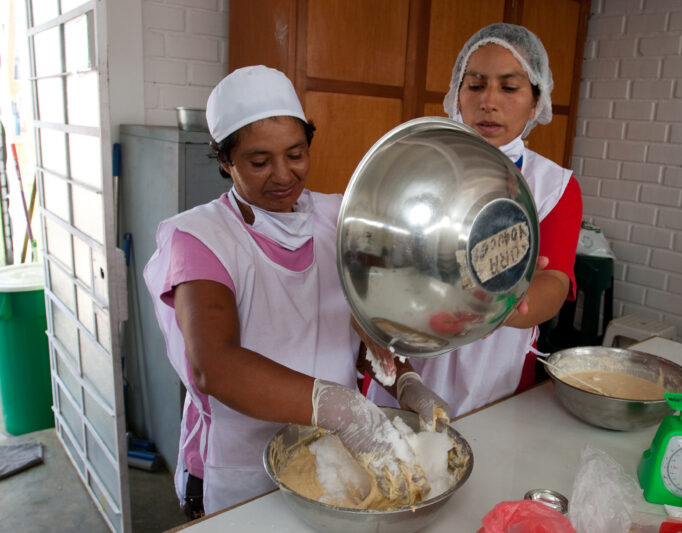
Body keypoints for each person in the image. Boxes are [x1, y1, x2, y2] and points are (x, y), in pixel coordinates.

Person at [143, 65, 439, 517]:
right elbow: (214, 367)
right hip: (239, 468)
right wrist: (342, 407)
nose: (283, 175)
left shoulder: (338, 219)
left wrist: (405, 381)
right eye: (259, 162)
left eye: (296, 154)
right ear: (225, 160)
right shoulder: (200, 238)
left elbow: (357, 330)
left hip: (335, 455)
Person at [366, 23, 582, 417]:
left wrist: (513, 306)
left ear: (536, 101)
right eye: (476, 85)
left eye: (509, 87)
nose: (489, 102)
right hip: (410, 353)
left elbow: (556, 279)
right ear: (457, 93)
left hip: (495, 367)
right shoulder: (418, 158)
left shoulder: (552, 187)